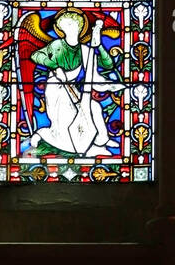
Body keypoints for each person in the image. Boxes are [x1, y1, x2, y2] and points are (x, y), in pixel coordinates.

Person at [28, 10, 124, 157]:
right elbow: (35, 55)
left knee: (94, 107)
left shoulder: (84, 50)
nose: (70, 28)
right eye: (66, 25)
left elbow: (108, 65)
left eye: (73, 24)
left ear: (80, 27)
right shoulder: (57, 46)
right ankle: (43, 133)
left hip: (71, 87)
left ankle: (101, 139)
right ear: (61, 28)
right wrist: (54, 66)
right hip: (56, 88)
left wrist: (98, 46)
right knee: (68, 120)